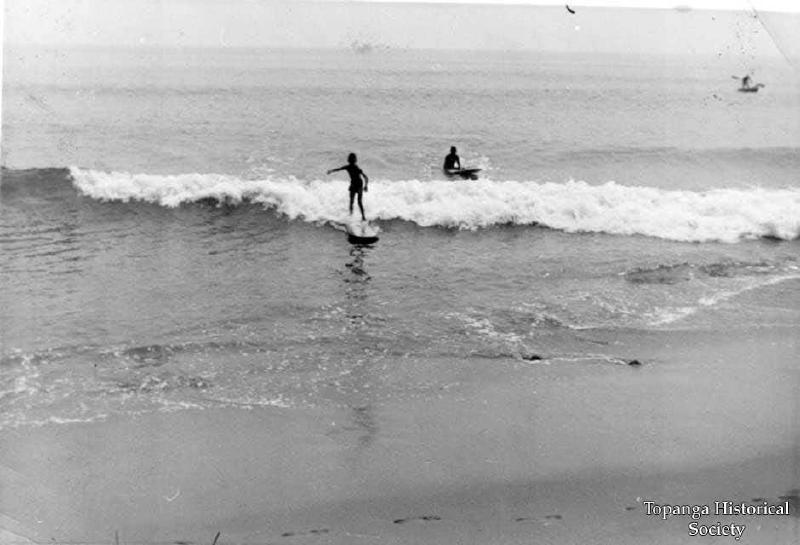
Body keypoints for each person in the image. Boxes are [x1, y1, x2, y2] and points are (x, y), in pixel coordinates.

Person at [327, 152, 369, 221]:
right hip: (354, 184)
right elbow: (339, 169)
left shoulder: (356, 168)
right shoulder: (348, 167)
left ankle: (363, 217)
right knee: (353, 201)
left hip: (359, 185)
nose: (352, 162)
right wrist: (331, 171)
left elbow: (366, 177)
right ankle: (352, 215)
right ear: (354, 160)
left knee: (358, 202)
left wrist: (366, 185)